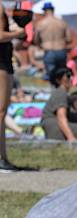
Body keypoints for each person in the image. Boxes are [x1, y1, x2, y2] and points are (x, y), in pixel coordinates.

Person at [0, 8, 26, 172]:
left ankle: (4, 158)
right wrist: (18, 33)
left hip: (5, 59)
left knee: (2, 112)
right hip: (1, 61)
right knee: (1, 112)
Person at [42, 67, 77, 141]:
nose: (71, 78)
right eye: (68, 76)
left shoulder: (61, 93)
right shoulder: (60, 93)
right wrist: (70, 137)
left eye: (72, 75)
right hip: (55, 127)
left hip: (53, 126)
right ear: (58, 80)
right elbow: (61, 117)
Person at [34, 2, 70, 81]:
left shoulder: (40, 24)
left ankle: (54, 91)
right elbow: (69, 39)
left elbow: (36, 40)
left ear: (44, 11)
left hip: (48, 51)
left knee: (51, 75)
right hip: (61, 50)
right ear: (53, 10)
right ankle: (63, 91)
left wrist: (41, 45)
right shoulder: (62, 23)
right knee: (62, 74)